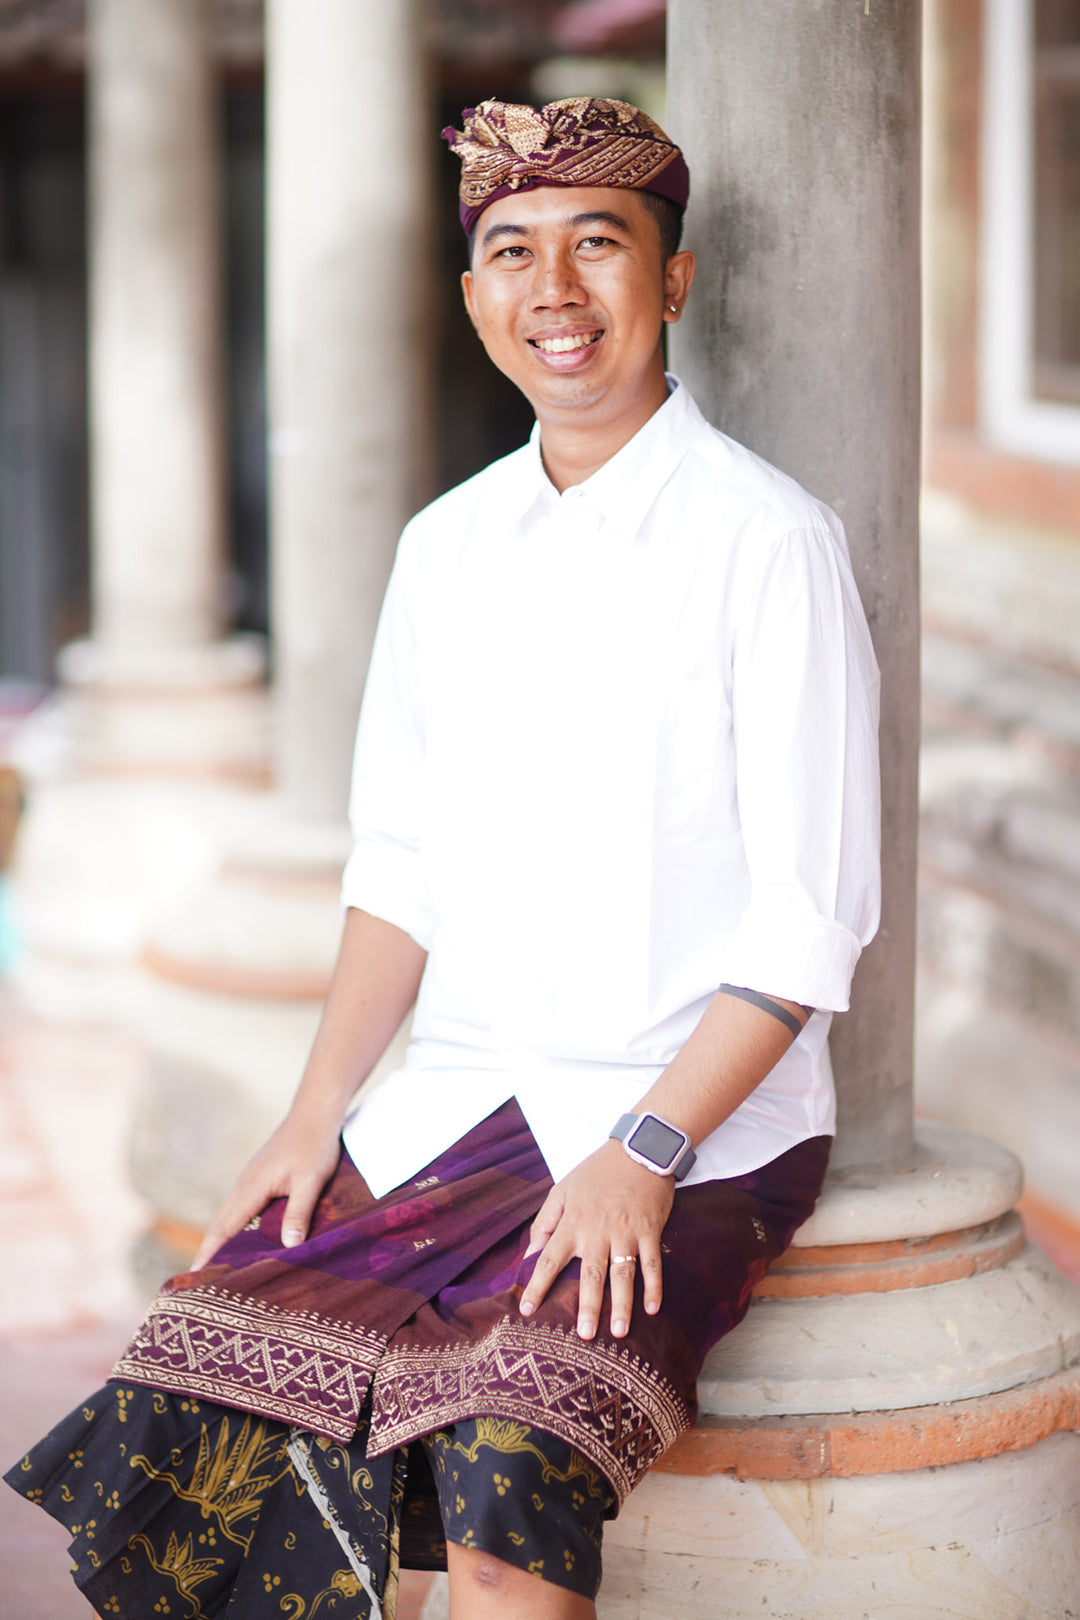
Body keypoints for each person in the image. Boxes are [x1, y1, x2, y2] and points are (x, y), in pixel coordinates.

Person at [5, 96, 880, 1620]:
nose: (556, 292)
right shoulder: (446, 547)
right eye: (512, 255)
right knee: (199, 1404)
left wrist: (646, 1154)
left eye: (598, 248)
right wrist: (312, 1112)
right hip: (457, 1101)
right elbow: (398, 862)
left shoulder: (767, 542)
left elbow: (810, 925)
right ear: (472, 297)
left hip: (684, 1122)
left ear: (671, 282)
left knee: (505, 1466)